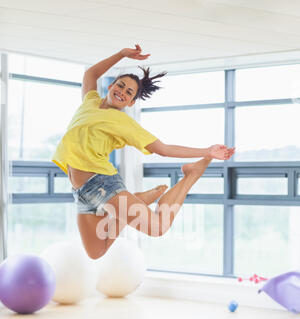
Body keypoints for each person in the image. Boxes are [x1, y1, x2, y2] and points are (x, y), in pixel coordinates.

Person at [52, 44, 235, 260]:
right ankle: (134, 200)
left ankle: (192, 174)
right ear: (111, 86)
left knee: (158, 227)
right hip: (81, 193)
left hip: (102, 186)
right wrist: (121, 55)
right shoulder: (90, 102)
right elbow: (91, 73)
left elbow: (163, 149)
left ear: (131, 102)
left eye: (129, 92)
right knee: (96, 252)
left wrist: (206, 151)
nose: (122, 92)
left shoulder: (123, 122)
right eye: (120, 86)